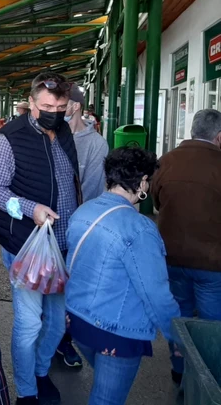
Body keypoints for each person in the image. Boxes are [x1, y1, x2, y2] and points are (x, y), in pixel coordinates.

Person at [0, 72, 81, 405]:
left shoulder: (64, 131)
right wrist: (30, 208)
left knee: (56, 322)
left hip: (64, 243)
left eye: (61, 106)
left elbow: (70, 181)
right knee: (28, 323)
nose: (54, 111)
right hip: (27, 245)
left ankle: (41, 372)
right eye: (47, 105)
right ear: (31, 103)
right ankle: (26, 390)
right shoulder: (7, 138)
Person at [66, 147, 180, 405]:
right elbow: (156, 294)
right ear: (142, 182)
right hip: (116, 331)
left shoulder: (83, 211)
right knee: (106, 399)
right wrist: (177, 337)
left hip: (78, 320)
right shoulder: (140, 229)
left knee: (104, 390)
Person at [151, 108, 221, 384]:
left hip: (172, 256)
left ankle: (178, 370)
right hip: (212, 262)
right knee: (210, 322)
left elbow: (155, 202)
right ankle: (208, 376)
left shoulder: (166, 161)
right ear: (219, 137)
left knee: (178, 314)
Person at [52, 85, 110, 368]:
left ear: (74, 106)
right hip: (48, 225)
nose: (56, 109)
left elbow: (96, 191)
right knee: (46, 285)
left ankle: (64, 341)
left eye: (60, 104)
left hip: (78, 230)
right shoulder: (50, 135)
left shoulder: (97, 144)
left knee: (69, 288)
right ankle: (51, 339)